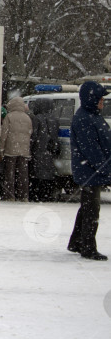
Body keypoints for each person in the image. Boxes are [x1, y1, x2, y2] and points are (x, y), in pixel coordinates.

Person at [67, 81, 111, 260]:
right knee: (91, 210)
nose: (103, 102)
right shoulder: (85, 118)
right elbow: (91, 151)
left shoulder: (92, 115)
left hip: (92, 170)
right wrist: (106, 170)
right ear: (92, 99)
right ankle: (88, 248)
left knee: (87, 208)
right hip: (90, 171)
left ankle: (77, 242)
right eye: (100, 99)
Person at [0, 96, 33, 201]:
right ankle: (24, 196)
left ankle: (9, 196)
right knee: (23, 174)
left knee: (9, 173)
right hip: (24, 150)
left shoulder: (9, 116)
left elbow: (4, 134)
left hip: (10, 149)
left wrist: (1, 148)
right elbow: (30, 133)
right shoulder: (27, 118)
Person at [29, 98, 60, 201]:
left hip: (39, 149)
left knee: (37, 173)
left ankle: (37, 194)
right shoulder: (55, 119)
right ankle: (47, 194)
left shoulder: (36, 118)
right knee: (48, 172)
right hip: (50, 149)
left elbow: (34, 135)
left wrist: (30, 147)